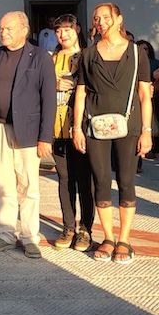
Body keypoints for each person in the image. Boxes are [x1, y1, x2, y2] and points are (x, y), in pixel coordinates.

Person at [72, 3, 153, 264]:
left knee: (127, 181)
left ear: (118, 19)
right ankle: (108, 237)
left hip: (129, 127)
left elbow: (144, 94)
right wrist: (77, 128)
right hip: (95, 126)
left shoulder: (137, 52)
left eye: (106, 17)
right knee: (101, 180)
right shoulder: (88, 54)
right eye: (97, 18)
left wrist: (147, 131)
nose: (101, 21)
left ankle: (125, 240)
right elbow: (81, 94)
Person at [0, 10, 56, 259]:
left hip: (28, 131)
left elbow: (48, 99)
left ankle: (30, 236)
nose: (4, 32)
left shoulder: (41, 57)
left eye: (9, 28)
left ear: (24, 29)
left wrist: (45, 137)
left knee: (29, 185)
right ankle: (5, 233)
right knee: (3, 182)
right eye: (1, 28)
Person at [49, 14, 94, 252]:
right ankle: (68, 226)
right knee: (64, 180)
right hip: (57, 129)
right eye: (58, 31)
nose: (63, 35)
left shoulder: (88, 56)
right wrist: (52, 84)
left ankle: (86, 229)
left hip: (83, 128)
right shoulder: (50, 59)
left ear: (76, 29)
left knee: (85, 182)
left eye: (67, 30)